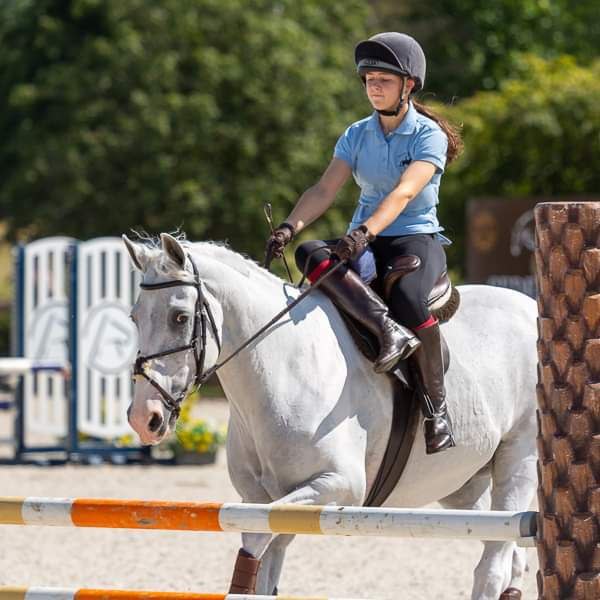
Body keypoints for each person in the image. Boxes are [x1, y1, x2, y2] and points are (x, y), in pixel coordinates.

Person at [265, 32, 463, 454]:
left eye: (384, 79)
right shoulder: (356, 134)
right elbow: (323, 189)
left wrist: (363, 233)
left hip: (413, 238)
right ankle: (388, 332)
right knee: (310, 254)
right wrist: (289, 225)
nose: (373, 86)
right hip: (365, 239)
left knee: (409, 297)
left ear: (408, 85)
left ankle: (436, 409)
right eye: (368, 78)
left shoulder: (429, 136)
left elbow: (404, 194)